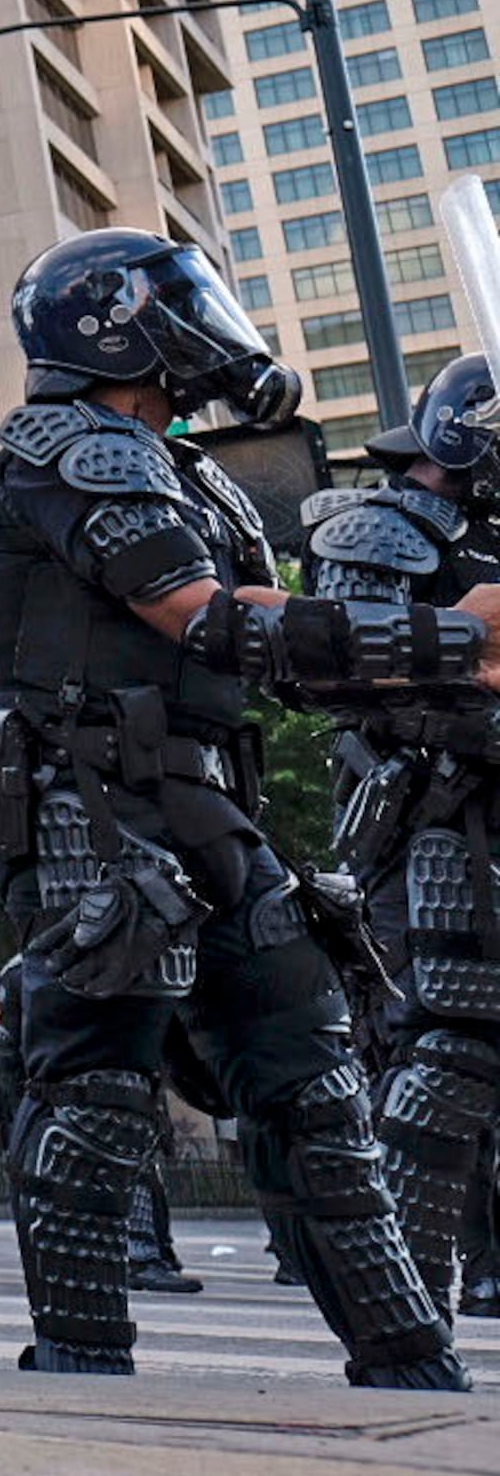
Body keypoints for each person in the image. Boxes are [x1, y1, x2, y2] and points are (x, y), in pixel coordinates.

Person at [0, 227, 491, 1385]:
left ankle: (410, 1357)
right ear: (116, 327)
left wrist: (446, 656)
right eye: (179, 304)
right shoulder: (66, 452)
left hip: (205, 807)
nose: (209, 324)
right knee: (97, 1090)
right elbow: (204, 619)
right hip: (88, 815)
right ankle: (82, 1363)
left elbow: (285, 653)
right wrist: (463, 635)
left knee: (314, 1078)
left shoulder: (185, 469)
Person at [310, 353, 500, 1328]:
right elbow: (348, 673)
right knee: (451, 1050)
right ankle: (405, 1303)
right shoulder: (379, 529)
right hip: (434, 824)